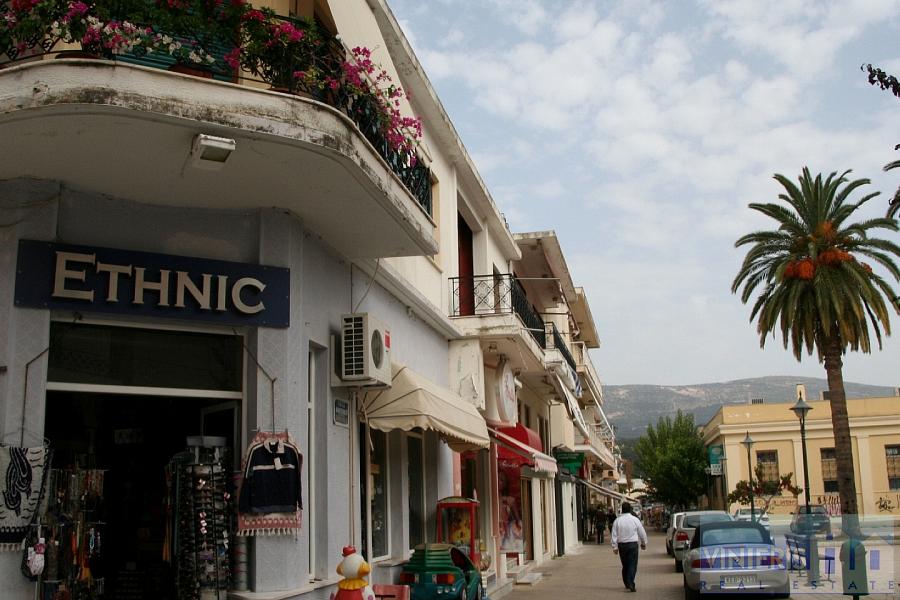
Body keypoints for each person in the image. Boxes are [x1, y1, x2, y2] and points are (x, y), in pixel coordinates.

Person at [610, 501, 647, 592]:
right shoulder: (635, 520)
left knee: (625, 565)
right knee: (632, 564)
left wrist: (614, 546)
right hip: (632, 545)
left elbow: (614, 534)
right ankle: (630, 582)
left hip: (622, 545)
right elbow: (641, 531)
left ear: (622, 510)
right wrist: (643, 542)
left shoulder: (617, 521)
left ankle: (627, 582)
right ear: (630, 509)